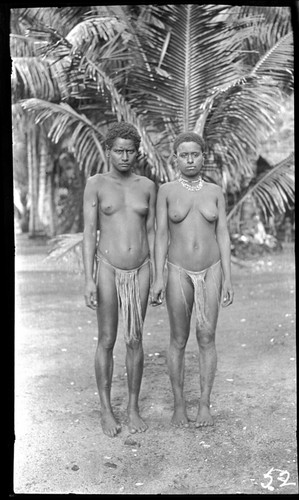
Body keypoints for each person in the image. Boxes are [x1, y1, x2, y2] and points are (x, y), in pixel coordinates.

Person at [152, 132, 234, 428]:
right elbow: (161, 234)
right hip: (177, 270)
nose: (190, 160)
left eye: (195, 154)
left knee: (207, 336)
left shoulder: (215, 191)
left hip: (211, 269)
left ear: (203, 156)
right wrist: (159, 277)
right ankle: (178, 405)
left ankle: (204, 404)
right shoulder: (167, 191)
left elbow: (222, 233)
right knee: (178, 338)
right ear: (175, 158)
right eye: (184, 155)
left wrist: (227, 277)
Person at [82, 122, 156, 437]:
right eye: (118, 151)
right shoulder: (96, 184)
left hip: (141, 267)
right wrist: (89, 279)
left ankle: (133, 407)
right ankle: (106, 410)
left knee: (135, 338)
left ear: (137, 151)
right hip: (108, 266)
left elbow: (152, 232)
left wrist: (158, 276)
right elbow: (89, 234)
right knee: (107, 338)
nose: (124, 156)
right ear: (109, 151)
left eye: (130, 150)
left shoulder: (147, 186)